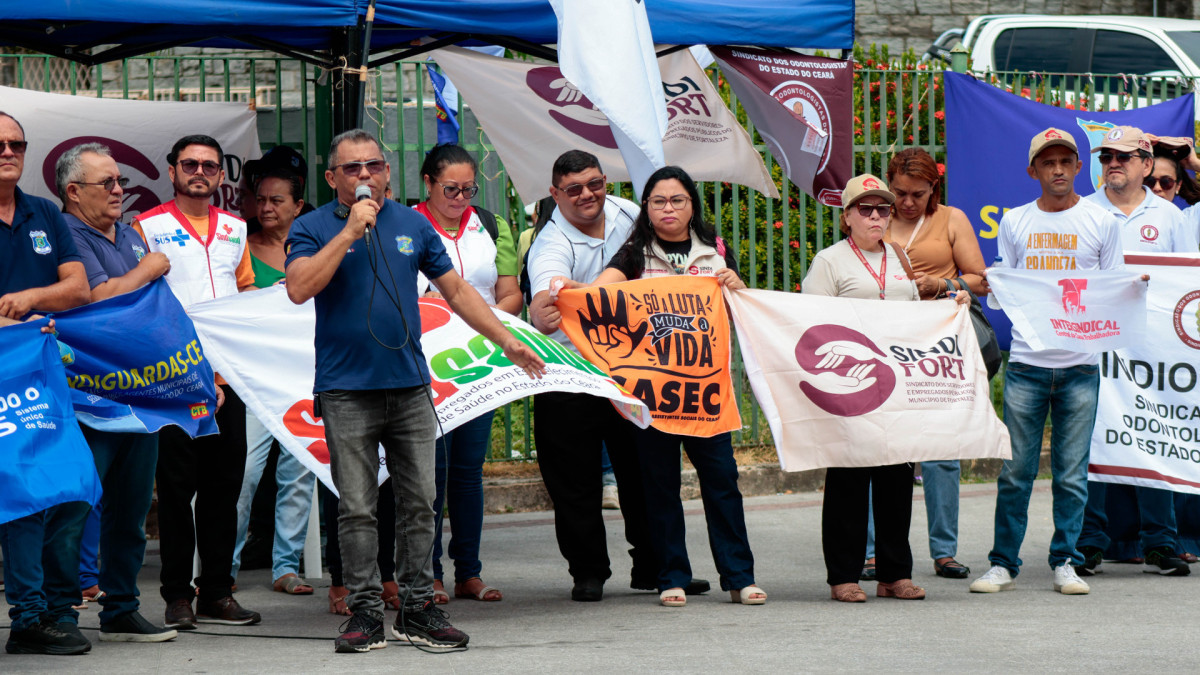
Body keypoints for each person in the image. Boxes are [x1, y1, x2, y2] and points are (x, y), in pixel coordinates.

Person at [284, 128, 544, 653]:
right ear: (333, 177)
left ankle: (419, 608)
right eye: (352, 168)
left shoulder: (412, 224)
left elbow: (458, 290)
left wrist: (506, 340)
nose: (364, 176)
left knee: (421, 502)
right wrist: (350, 234)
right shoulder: (311, 226)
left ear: (388, 172)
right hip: (345, 390)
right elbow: (298, 287)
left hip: (409, 387)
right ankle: (363, 612)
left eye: (373, 166)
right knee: (356, 507)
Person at [553, 165, 765, 607]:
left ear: (692, 206)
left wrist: (736, 286)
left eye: (677, 200)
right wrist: (572, 292)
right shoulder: (634, 255)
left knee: (722, 482)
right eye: (658, 201)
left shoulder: (716, 251)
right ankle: (671, 576)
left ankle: (739, 576)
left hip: (707, 396)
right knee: (659, 485)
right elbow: (598, 297)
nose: (668, 208)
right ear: (647, 209)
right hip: (653, 398)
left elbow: (741, 312)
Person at [970, 128, 1128, 596]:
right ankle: (1003, 563)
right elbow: (1008, 288)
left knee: (1072, 474)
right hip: (1028, 364)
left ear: (1080, 168)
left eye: (1065, 161)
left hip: (1080, 364)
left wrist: (1133, 288)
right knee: (1016, 471)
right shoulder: (1016, 222)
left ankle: (1066, 562)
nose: (1057, 169)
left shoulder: (1102, 223)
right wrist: (986, 286)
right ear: (1033, 170)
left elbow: (1111, 289)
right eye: (1048, 162)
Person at [802, 173, 966, 603]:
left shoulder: (898, 257)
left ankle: (894, 573)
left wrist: (951, 307)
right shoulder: (830, 261)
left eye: (883, 209)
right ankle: (844, 574)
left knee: (896, 479)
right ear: (847, 218)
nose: (876, 216)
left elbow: (913, 318)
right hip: (850, 384)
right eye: (866, 208)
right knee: (849, 481)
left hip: (895, 386)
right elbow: (810, 322)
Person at [133, 134, 259, 629]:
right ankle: (176, 595)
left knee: (224, 490)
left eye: (209, 165)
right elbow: (141, 304)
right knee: (176, 488)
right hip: (175, 381)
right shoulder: (147, 226)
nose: (200, 172)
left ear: (221, 175)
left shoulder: (235, 228)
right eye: (190, 164)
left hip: (228, 379)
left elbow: (246, 293)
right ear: (172, 170)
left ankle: (217, 593)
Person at [55, 142, 179, 642]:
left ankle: (121, 607)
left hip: (138, 397)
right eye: (105, 183)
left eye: (119, 181)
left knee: (131, 513)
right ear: (72, 191)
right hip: (86, 397)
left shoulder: (128, 235)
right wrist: (150, 268)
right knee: (74, 510)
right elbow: (97, 299)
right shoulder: (66, 233)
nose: (118, 190)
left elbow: (155, 311)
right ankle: (58, 614)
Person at [527, 150, 662, 603]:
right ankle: (588, 572)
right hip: (569, 373)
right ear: (555, 194)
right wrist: (544, 309)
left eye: (595, 184)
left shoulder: (630, 212)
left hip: (631, 368)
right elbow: (546, 305)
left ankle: (655, 565)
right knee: (573, 480)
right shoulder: (550, 245)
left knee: (644, 470)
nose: (588, 195)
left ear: (606, 180)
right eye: (574, 189)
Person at [1075, 126, 1192, 578]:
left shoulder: (1170, 217)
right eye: (1107, 157)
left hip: (1151, 352)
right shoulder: (1082, 212)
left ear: (1147, 164)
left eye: (1124, 157)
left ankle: (1161, 542)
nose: (1113, 164)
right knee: (1093, 440)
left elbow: (1186, 282)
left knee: (1152, 438)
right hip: (1096, 345)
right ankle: (1089, 541)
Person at [0, 110, 93, 655]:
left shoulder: (44, 213)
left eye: (17, 143)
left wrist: (27, 301)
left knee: (72, 487)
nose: (9, 151)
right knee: (22, 498)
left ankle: (59, 608)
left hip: (45, 375)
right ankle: (30, 618)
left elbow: (78, 287)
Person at [413, 143, 520, 604]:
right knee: (428, 473)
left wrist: (484, 320)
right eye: (450, 189)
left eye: (468, 189)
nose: (460, 198)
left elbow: (512, 294)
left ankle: (469, 572)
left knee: (468, 471)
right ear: (428, 184)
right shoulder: (408, 224)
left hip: (478, 361)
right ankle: (429, 572)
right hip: (426, 364)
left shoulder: (492, 226)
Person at [879, 147, 987, 580]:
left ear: (933, 190)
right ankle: (872, 551)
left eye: (917, 195)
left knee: (942, 449)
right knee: (881, 448)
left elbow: (980, 279)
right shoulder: (875, 215)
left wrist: (941, 282)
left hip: (938, 346)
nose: (907, 203)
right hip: (886, 339)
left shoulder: (951, 220)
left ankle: (944, 551)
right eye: (900, 193)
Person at [230, 167, 319, 595]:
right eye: (260, 199)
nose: (265, 207)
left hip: (303, 377)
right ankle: (223, 568)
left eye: (277, 200)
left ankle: (286, 567)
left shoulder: (315, 250)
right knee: (244, 473)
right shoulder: (240, 248)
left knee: (299, 473)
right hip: (255, 379)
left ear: (298, 206)